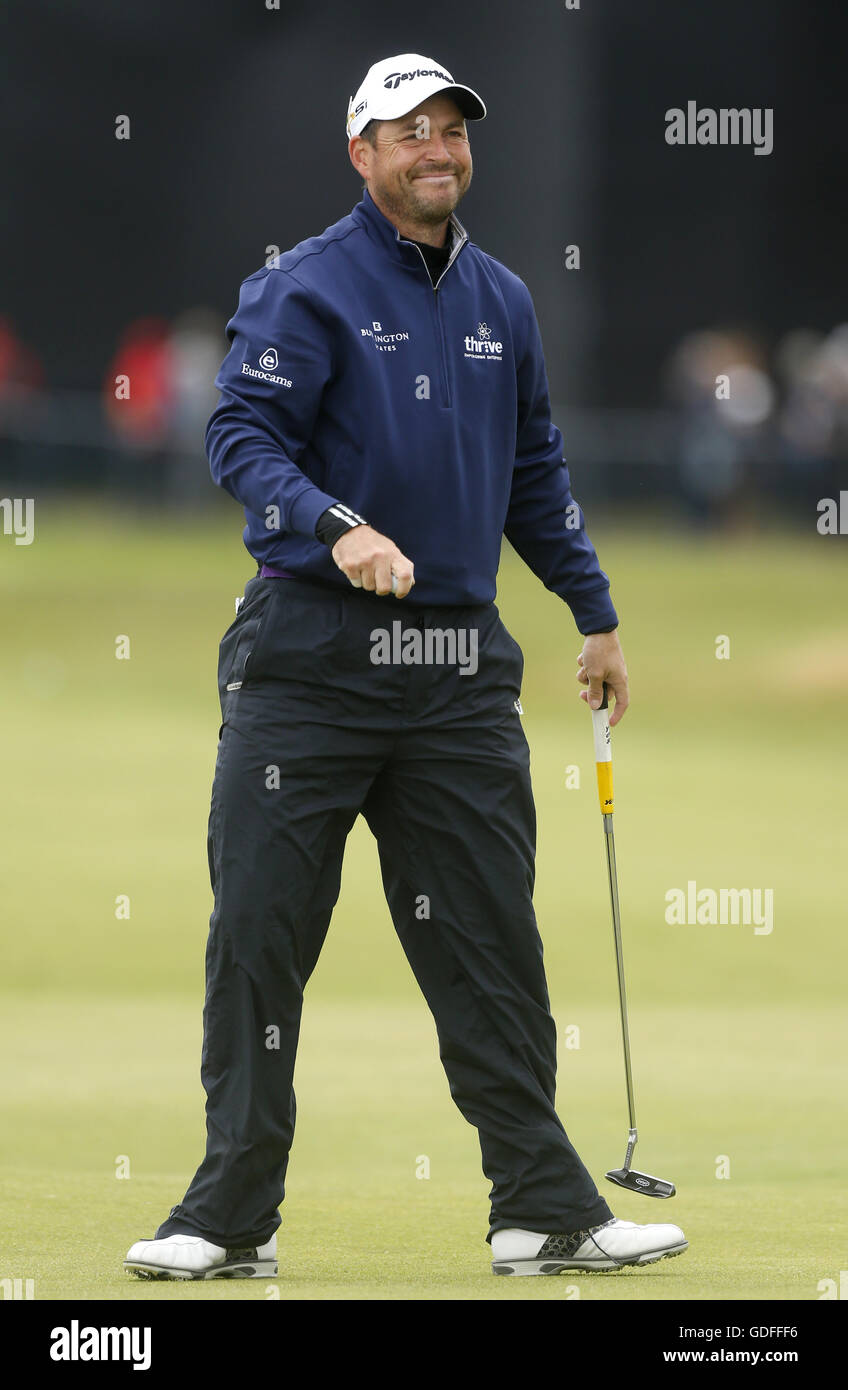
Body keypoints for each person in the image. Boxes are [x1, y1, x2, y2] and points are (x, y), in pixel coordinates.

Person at [125, 53, 687, 1280]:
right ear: (361, 154)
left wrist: (591, 612)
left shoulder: (500, 299)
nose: (435, 147)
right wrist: (340, 524)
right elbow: (238, 431)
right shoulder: (304, 288)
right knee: (263, 940)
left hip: (454, 669)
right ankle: (227, 1218)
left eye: (450, 130)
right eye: (407, 131)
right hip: (308, 659)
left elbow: (532, 467)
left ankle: (540, 1204)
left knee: (492, 943)